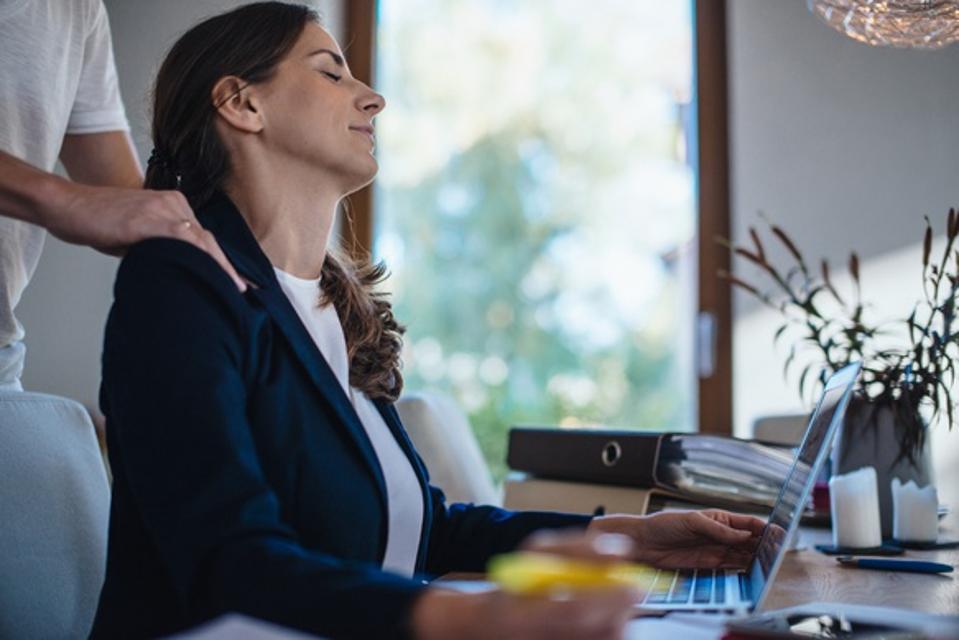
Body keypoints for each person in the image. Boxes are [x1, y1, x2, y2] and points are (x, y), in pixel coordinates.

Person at [91, 3, 766, 638]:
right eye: (330, 71)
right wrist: (466, 619)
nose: (372, 97)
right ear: (243, 103)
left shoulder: (331, 305)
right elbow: (227, 562)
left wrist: (627, 539)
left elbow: (425, 529)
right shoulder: (178, 283)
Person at [0, 0, 245, 392]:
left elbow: (126, 201)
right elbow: (92, 206)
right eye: (330, 73)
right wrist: (63, 200)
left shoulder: (77, 11)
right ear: (241, 102)